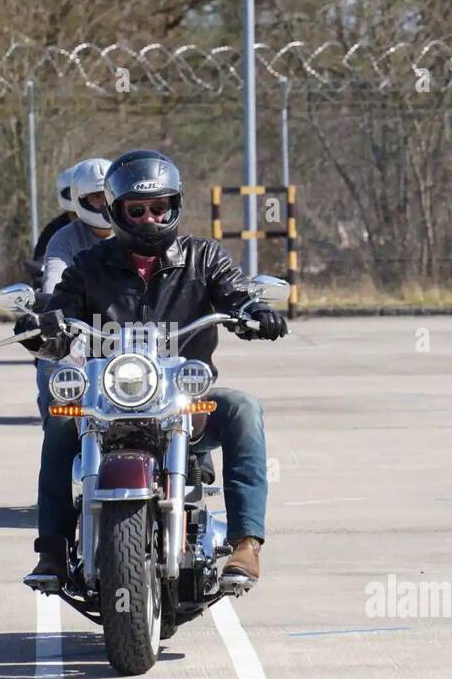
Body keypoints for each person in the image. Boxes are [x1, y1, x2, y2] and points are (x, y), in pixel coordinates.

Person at [17, 149, 288, 592]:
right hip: (108, 399)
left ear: (174, 206)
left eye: (159, 208)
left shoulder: (203, 258)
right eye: (137, 210)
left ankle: (245, 544)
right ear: (116, 210)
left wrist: (254, 312)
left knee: (242, 408)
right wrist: (41, 329)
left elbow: (235, 294)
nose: (149, 218)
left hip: (186, 401)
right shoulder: (89, 266)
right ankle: (51, 551)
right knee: (60, 423)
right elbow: (61, 316)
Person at [34, 158, 114, 422]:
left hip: (137, 329)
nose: (104, 204)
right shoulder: (64, 238)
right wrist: (49, 308)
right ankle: (57, 440)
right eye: (95, 198)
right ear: (80, 199)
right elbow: (54, 285)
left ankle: (193, 456)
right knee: (51, 365)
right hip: (83, 332)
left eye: (108, 196)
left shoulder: (139, 231)